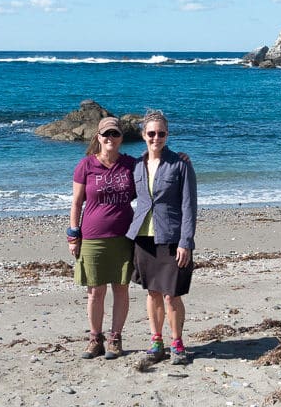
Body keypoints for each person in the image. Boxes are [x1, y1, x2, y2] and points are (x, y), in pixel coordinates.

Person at [126, 110, 197, 365]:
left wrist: (185, 242)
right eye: (151, 133)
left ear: (167, 135)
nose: (156, 138)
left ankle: (177, 343)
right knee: (153, 293)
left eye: (161, 133)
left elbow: (189, 206)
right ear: (144, 135)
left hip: (171, 237)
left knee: (171, 294)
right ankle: (157, 342)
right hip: (143, 238)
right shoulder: (136, 165)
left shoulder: (180, 164)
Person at [68, 116, 136, 359]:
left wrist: (178, 158)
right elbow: (76, 204)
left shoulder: (131, 165)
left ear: (121, 138)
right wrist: (73, 235)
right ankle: (95, 338)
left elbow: (155, 170)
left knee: (121, 288)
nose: (110, 138)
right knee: (95, 291)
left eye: (115, 134)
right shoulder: (86, 165)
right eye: (106, 134)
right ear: (98, 137)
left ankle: (115, 338)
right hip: (92, 237)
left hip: (124, 237)